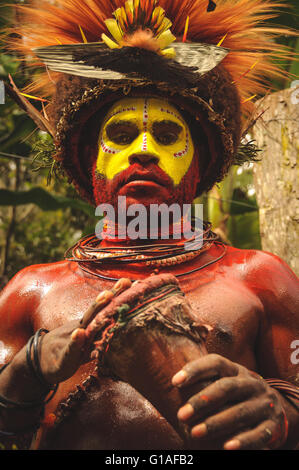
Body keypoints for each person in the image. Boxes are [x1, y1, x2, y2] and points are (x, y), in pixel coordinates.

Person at [0, 0, 298, 450]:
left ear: (197, 164)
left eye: (166, 134)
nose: (142, 150)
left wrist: (280, 412)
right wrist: (31, 366)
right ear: (91, 161)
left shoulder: (260, 278)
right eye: (119, 136)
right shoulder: (31, 292)